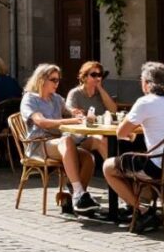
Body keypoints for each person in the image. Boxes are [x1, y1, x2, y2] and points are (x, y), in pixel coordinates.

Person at [104, 62, 164, 233]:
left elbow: (120, 132)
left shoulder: (145, 102)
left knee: (108, 167)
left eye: (141, 81)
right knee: (136, 160)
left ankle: (142, 211)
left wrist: (130, 134)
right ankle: (143, 207)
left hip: (157, 168)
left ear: (147, 82)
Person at [21, 63, 108, 213]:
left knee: (90, 154)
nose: (57, 83)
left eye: (58, 80)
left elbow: (70, 111)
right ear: (41, 79)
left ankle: (80, 197)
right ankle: (79, 193)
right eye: (53, 80)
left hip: (59, 142)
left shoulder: (55, 98)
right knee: (67, 140)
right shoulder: (30, 99)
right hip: (40, 144)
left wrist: (78, 114)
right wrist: (69, 120)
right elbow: (42, 122)